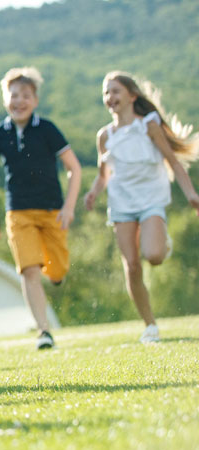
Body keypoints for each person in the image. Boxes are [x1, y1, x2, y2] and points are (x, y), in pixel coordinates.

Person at [83, 71, 199, 344]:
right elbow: (104, 174)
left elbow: (172, 161)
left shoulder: (148, 125)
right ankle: (150, 326)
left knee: (154, 255)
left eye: (115, 91)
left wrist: (192, 194)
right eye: (106, 92)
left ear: (132, 96)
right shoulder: (105, 136)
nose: (110, 97)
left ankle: (161, 239)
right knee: (132, 265)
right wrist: (93, 192)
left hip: (151, 200)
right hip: (122, 203)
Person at [0, 67, 82, 350]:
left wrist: (69, 208)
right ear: (4, 99)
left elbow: (74, 168)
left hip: (52, 212)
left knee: (56, 270)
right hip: (18, 213)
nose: (19, 101)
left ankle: (56, 276)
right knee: (29, 271)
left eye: (25, 96)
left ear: (35, 100)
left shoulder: (47, 129)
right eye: (13, 96)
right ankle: (44, 331)